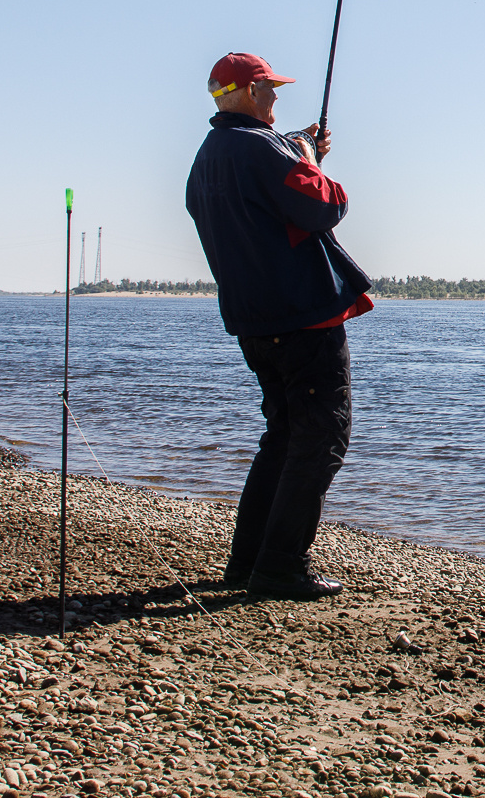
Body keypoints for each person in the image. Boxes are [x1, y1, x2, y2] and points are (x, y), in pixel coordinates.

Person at [185, 51, 375, 601]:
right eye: (268, 88)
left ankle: (249, 562)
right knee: (321, 438)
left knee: (284, 436)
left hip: (255, 321)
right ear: (245, 92)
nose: (275, 96)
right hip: (301, 318)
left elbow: (263, 192)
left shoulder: (211, 154)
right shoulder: (257, 148)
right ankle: (280, 567)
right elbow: (325, 206)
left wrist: (297, 148)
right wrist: (311, 160)